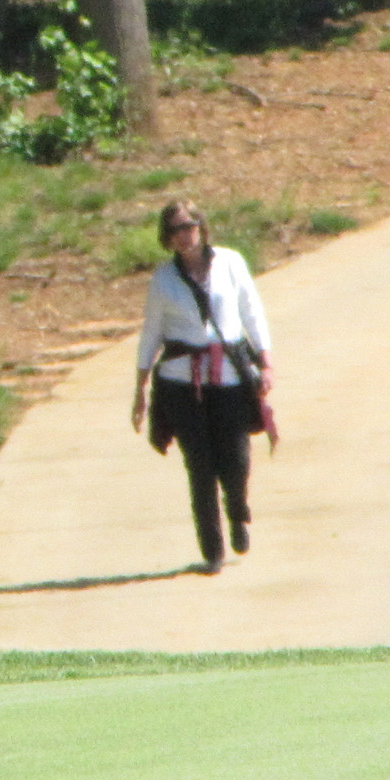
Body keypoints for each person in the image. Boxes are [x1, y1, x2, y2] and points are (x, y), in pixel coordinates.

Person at [129, 200, 273, 572]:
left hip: (227, 376)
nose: (184, 235)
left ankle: (238, 514)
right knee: (200, 464)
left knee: (236, 458)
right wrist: (141, 389)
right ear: (167, 237)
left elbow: (251, 311)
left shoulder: (230, 262)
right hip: (182, 382)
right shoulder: (163, 279)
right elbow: (152, 332)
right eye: (175, 229)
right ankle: (212, 548)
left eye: (189, 226)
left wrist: (266, 361)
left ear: (202, 226)